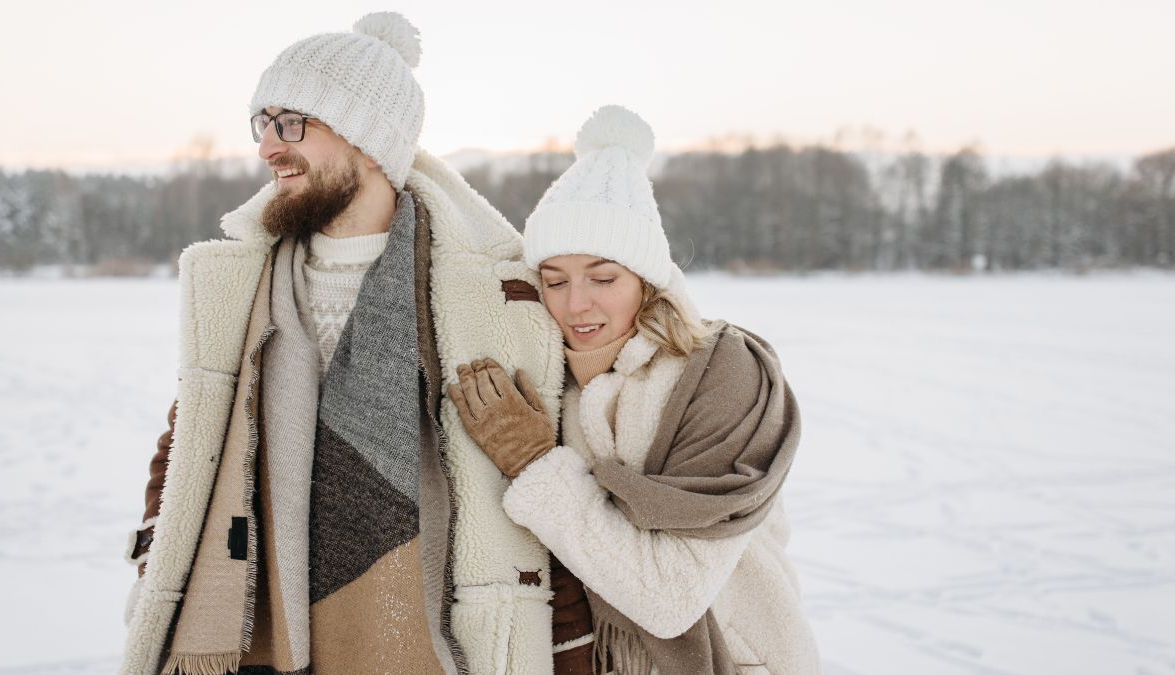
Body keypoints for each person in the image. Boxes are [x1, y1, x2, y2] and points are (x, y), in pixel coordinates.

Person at [121, 12, 569, 675]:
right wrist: (156, 548)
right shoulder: (243, 283)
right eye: (264, 123)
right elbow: (192, 435)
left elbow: (547, 477)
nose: (270, 146)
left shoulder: (490, 294)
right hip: (256, 640)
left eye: (293, 122)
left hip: (439, 641)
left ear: (366, 137)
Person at [448, 106, 822, 674]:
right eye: (554, 280)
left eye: (603, 278)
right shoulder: (549, 380)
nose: (576, 305)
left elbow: (669, 597)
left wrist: (534, 463)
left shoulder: (722, 376)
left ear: (647, 280)